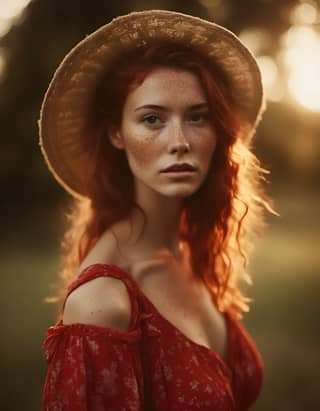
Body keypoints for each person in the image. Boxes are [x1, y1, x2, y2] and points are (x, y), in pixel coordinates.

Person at [39, 9, 275, 411]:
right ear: (117, 132)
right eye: (152, 119)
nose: (180, 141)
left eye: (197, 117)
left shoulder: (192, 250)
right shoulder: (103, 303)